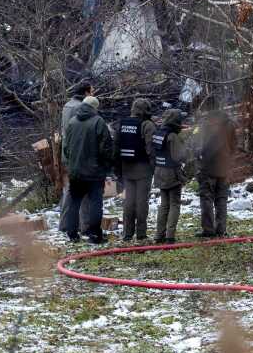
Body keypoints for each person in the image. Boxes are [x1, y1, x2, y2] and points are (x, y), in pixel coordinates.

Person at [61, 95, 115, 243]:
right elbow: (106, 148)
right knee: (95, 204)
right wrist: (106, 166)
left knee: (74, 202)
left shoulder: (72, 122)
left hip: (75, 172)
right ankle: (94, 234)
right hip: (94, 173)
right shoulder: (98, 122)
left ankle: (72, 233)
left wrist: (72, 164)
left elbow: (65, 148)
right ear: (94, 108)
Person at [196, 99, 237, 238]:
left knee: (206, 198)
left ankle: (208, 229)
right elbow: (234, 146)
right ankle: (221, 229)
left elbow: (197, 145)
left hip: (207, 167)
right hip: (224, 167)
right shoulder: (229, 124)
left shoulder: (205, 124)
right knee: (221, 199)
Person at [116, 98, 156, 241]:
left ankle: (127, 233)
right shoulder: (147, 125)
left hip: (126, 168)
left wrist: (117, 170)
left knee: (128, 202)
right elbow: (151, 148)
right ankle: (141, 234)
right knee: (141, 202)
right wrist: (154, 167)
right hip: (143, 169)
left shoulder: (122, 123)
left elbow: (116, 146)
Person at [58, 82, 93, 234]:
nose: (93, 94)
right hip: (79, 155)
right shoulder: (81, 108)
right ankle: (85, 226)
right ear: (86, 93)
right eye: (92, 91)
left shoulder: (67, 105)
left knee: (70, 190)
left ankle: (65, 224)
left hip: (68, 154)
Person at [153, 109, 189, 244]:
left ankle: (158, 235)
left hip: (159, 171)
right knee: (174, 203)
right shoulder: (173, 136)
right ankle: (170, 235)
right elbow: (178, 156)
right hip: (171, 173)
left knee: (164, 205)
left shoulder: (158, 133)